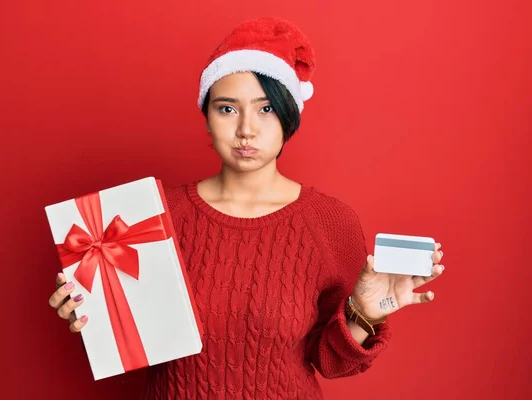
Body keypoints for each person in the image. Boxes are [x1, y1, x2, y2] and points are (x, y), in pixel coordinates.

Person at [48, 17, 445, 399]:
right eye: (227, 108)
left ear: (289, 116)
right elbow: (135, 344)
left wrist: (364, 314)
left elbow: (329, 363)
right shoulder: (151, 217)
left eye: (266, 108)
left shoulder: (331, 223)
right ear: (206, 116)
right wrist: (93, 316)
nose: (246, 129)